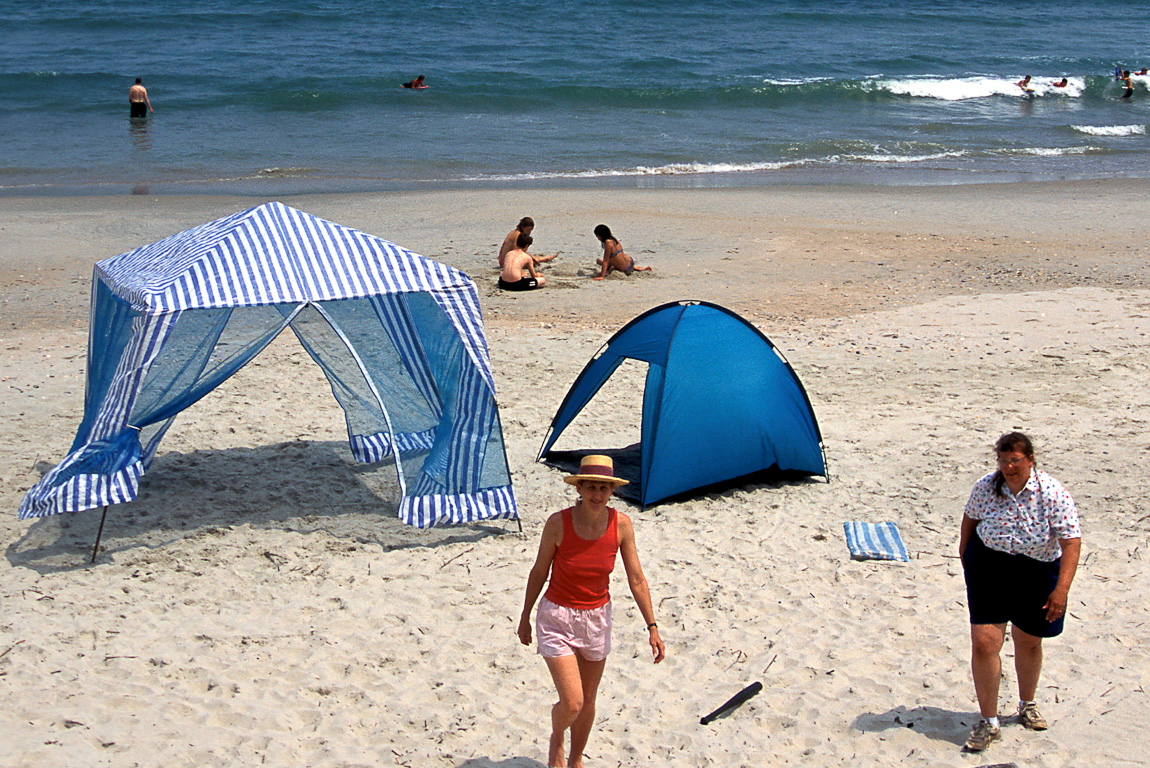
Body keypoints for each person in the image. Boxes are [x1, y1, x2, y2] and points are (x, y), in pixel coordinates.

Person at [518, 455, 665, 768]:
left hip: (596, 619)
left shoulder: (621, 524)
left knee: (588, 702)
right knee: (572, 702)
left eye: (604, 488)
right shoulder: (558, 523)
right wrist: (525, 617)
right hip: (556, 616)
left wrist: (652, 626)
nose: (598, 495)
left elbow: (636, 578)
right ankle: (557, 736)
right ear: (580, 488)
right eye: (592, 488)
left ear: (611, 491)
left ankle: (575, 759)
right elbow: (539, 571)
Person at [958, 432, 1081, 752]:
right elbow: (970, 518)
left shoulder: (1051, 492)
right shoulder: (987, 485)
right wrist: (965, 554)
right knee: (985, 642)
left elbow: (1071, 541)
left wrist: (1061, 590)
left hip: (1037, 571)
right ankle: (989, 721)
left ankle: (1027, 703)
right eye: (1003, 460)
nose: (1009, 467)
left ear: (1030, 461)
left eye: (1015, 460)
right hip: (990, 567)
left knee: (1028, 641)